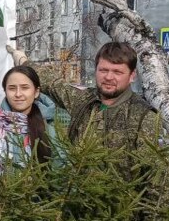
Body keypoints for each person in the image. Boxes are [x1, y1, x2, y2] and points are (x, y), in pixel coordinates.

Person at [20, 41, 156, 152]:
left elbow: (159, 177)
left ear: (132, 75)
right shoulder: (84, 100)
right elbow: (53, 83)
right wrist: (23, 61)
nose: (108, 77)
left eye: (117, 72)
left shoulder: (143, 116)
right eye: (103, 70)